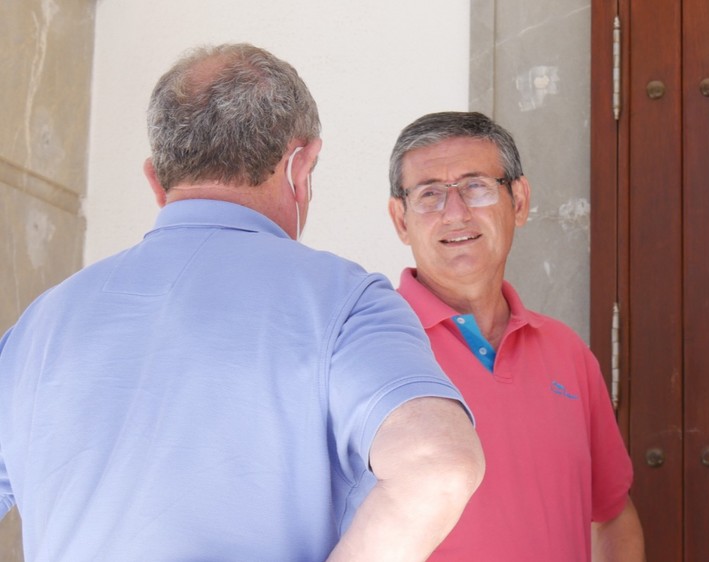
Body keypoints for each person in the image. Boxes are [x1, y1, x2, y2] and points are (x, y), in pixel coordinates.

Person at [0, 43, 484, 561]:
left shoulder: (39, 325)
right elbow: (439, 462)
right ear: (302, 163)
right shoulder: (346, 301)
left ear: (156, 179)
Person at [386, 111, 645, 561]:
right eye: (429, 195)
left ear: (519, 201)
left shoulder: (567, 353)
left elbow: (612, 513)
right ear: (401, 219)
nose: (455, 213)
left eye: (475, 187)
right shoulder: (369, 346)